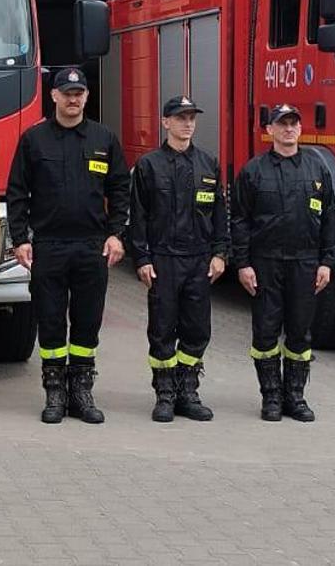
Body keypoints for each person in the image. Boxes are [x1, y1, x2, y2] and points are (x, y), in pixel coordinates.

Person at [7, 67, 130, 425]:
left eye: (80, 92)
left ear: (86, 97)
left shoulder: (104, 139)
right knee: (49, 320)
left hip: (92, 246)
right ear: (54, 96)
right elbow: (17, 193)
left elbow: (120, 189)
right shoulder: (34, 140)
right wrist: (19, 240)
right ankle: (55, 392)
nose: (73, 98)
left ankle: (81, 390)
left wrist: (116, 233)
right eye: (67, 92)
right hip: (49, 245)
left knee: (88, 321)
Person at [230, 104, 335, 423]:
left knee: (300, 333)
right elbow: (240, 220)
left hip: (305, 263)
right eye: (282, 124)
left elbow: (330, 218)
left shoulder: (317, 170)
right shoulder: (253, 171)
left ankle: (295, 396)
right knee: (265, 332)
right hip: (266, 264)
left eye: (293, 123)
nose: (289, 129)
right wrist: (243, 264)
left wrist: (326, 262)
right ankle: (271, 397)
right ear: (270, 130)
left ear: (300, 129)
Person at [128, 95, 228, 423]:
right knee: (161, 328)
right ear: (165, 122)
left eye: (192, 118)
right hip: (164, 259)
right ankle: (165, 394)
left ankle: (188, 391)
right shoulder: (148, 165)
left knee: (197, 329)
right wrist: (141, 258)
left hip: (199, 260)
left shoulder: (208, 164)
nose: (187, 123)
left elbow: (219, 214)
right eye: (180, 117)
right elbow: (139, 216)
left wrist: (220, 253)